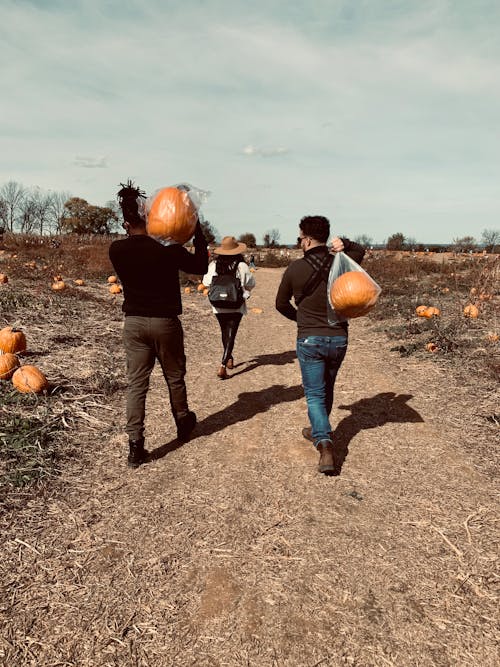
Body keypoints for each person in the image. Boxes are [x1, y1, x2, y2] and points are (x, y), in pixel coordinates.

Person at [109, 181, 208, 468]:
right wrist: (195, 227)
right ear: (149, 216)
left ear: (126, 222)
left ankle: (135, 446)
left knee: (136, 384)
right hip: (165, 323)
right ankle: (182, 423)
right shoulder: (168, 249)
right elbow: (201, 266)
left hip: (134, 324)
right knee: (174, 376)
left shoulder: (117, 250)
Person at [275, 215, 365, 474]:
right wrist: (343, 244)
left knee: (314, 392)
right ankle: (318, 428)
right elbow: (361, 251)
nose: (299, 242)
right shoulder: (341, 261)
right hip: (338, 337)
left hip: (309, 337)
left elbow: (281, 304)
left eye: (299, 238)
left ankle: (324, 443)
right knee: (327, 387)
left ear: (307, 239)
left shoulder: (294, 269)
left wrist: (300, 319)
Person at [202, 236, 256, 379]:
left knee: (224, 331)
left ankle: (229, 358)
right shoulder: (241, 266)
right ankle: (223, 365)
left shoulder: (214, 265)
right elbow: (251, 283)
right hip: (235, 304)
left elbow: (206, 282)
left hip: (218, 304)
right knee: (232, 333)